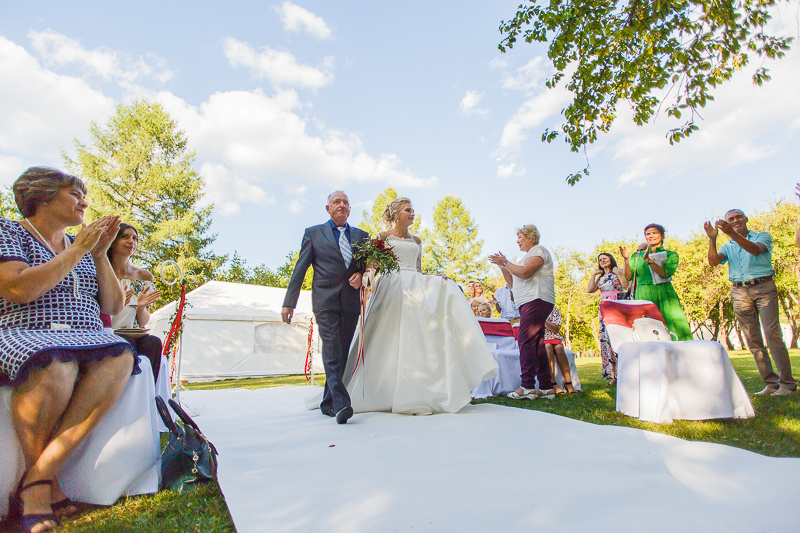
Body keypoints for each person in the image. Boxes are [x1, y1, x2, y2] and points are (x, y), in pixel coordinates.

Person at [0, 167, 136, 533]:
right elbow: (18, 290)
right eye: (75, 194)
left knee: (122, 355)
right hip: (28, 329)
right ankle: (44, 490)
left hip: (87, 334)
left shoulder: (85, 244)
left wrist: (100, 254)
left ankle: (38, 477)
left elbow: (110, 305)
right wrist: (78, 250)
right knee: (56, 365)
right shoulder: (9, 230)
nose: (84, 202)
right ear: (43, 197)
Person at [343, 197, 497, 415]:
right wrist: (366, 280)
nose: (413, 213)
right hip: (392, 285)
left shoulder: (417, 240)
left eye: (413, 210)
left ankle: (420, 387)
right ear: (396, 213)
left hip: (413, 286)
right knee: (389, 336)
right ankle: (383, 388)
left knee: (428, 318)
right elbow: (372, 267)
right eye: (408, 210)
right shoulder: (382, 237)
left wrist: (436, 277)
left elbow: (418, 270)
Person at [282, 191, 369, 424]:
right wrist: (289, 302)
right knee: (331, 351)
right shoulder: (313, 234)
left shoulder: (362, 236)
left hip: (350, 302)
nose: (342, 205)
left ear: (350, 209)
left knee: (340, 353)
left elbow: (370, 267)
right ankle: (342, 404)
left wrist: (361, 274)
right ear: (328, 208)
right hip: (325, 301)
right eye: (337, 202)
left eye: (346, 203)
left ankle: (327, 402)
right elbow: (299, 269)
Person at [704, 209, 797, 397]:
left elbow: (755, 250)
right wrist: (713, 239)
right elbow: (713, 262)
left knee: (772, 334)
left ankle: (787, 384)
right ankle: (771, 383)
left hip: (763, 287)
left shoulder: (762, 236)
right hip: (739, 291)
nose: (735, 220)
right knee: (752, 339)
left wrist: (731, 232)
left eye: (738, 217)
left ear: (746, 219)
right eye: (731, 219)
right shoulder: (728, 246)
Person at [489, 224, 557, 399]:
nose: (517, 241)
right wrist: (503, 267)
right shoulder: (523, 259)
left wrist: (506, 262)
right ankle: (546, 386)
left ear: (531, 237)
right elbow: (512, 282)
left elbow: (526, 273)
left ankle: (527, 386)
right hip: (527, 302)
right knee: (538, 344)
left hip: (536, 299)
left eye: (520, 237)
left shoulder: (538, 251)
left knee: (525, 341)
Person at [105, 223, 163, 383]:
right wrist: (118, 302)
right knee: (127, 344)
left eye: (135, 238)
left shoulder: (144, 276)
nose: (132, 241)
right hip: (109, 332)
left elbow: (144, 321)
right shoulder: (102, 273)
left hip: (135, 332)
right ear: (113, 241)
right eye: (125, 237)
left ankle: (150, 393)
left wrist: (141, 307)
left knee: (154, 343)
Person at [620, 224, 693, 341]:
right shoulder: (636, 256)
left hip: (664, 292)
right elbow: (628, 277)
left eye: (654, 233)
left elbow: (665, 273)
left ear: (662, 235)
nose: (651, 236)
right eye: (648, 234)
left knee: (672, 323)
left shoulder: (671, 255)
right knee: (647, 329)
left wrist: (649, 261)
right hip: (643, 294)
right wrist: (626, 259)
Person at [587, 253, 628, 384]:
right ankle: (614, 375)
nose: (602, 261)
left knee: (619, 337)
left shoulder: (618, 271)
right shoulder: (600, 278)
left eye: (605, 258)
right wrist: (594, 275)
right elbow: (590, 290)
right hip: (604, 307)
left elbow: (626, 285)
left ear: (611, 259)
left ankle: (625, 372)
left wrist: (619, 273)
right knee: (607, 339)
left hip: (617, 304)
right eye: (600, 260)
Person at [541, 306, 577, 394]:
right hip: (541, 336)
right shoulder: (534, 307)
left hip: (553, 336)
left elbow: (555, 329)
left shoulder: (553, 308)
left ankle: (568, 383)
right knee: (548, 347)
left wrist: (544, 321)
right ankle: (553, 382)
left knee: (559, 348)